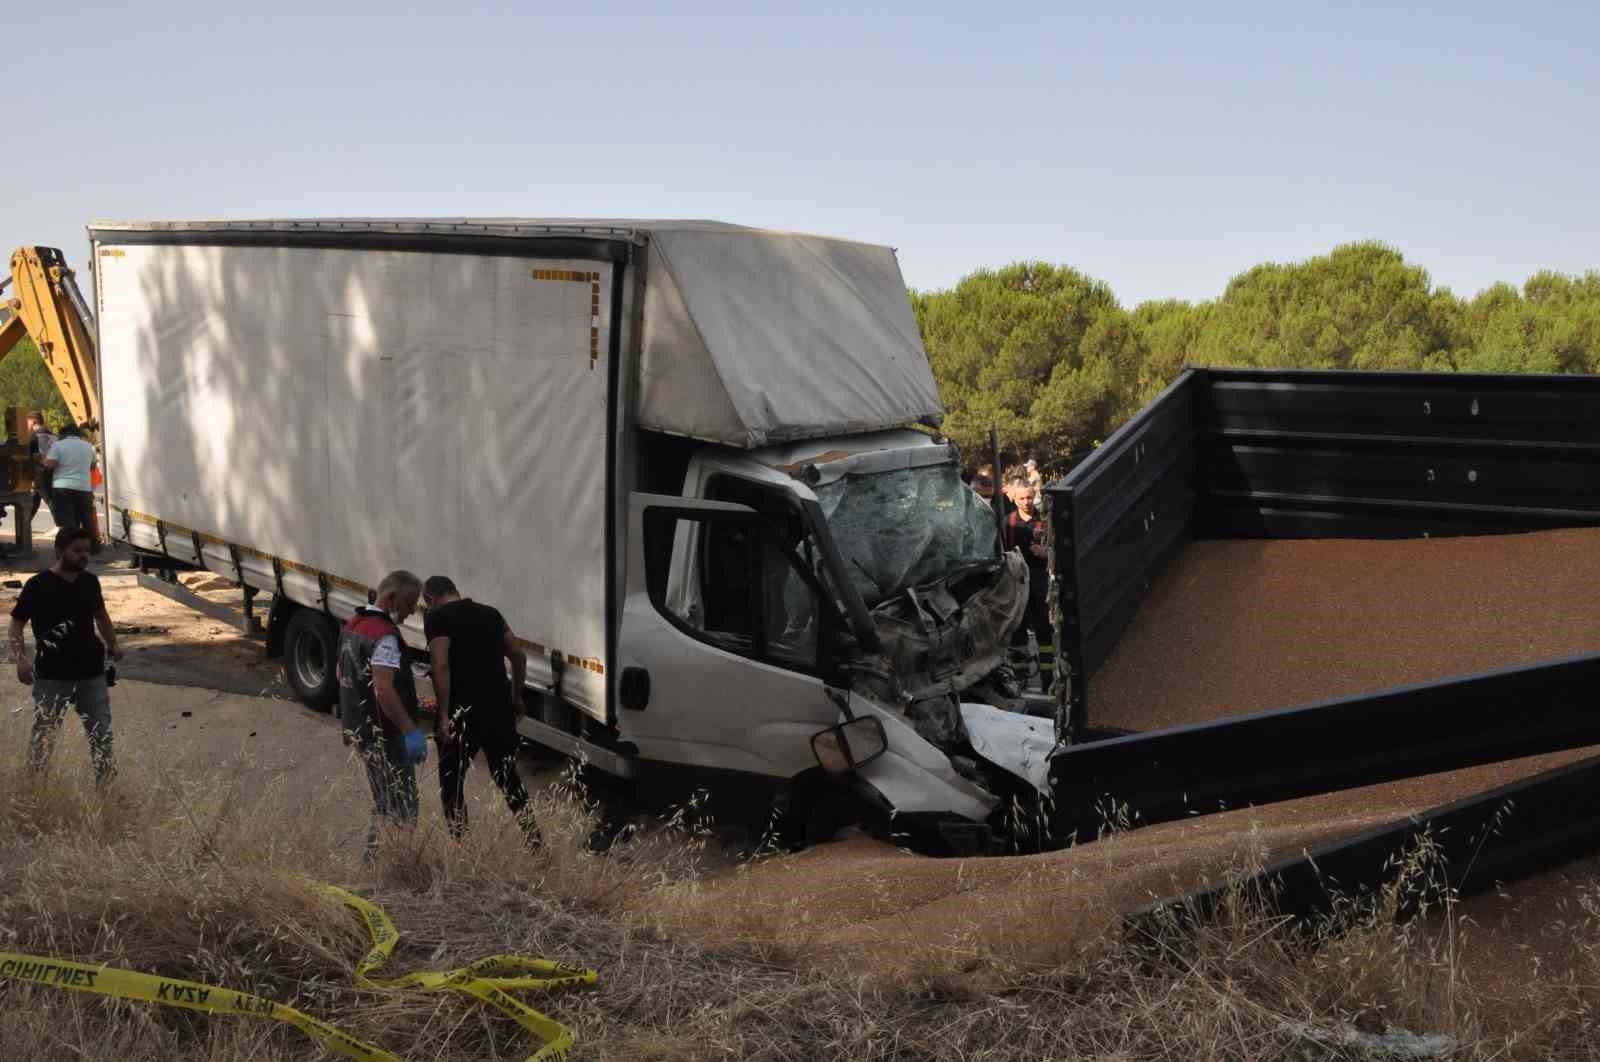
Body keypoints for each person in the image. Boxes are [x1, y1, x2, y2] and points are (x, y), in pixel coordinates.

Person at [422, 575, 540, 847]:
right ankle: (536, 843)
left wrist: (442, 715)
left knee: (452, 782)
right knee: (508, 778)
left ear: (430, 599)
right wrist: (516, 696)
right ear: (455, 590)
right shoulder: (491, 614)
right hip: (498, 709)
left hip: (461, 714)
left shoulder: (437, 618)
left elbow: (440, 666)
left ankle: (463, 849)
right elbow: (518, 656)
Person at [8, 526, 124, 784]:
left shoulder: (90, 582)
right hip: (52, 675)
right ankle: (34, 789)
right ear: (60, 551)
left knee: (102, 736)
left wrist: (113, 643)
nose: (83, 556)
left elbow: (101, 616)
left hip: (91, 673)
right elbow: (17, 624)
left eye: (86, 551)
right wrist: (21, 659)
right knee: (44, 736)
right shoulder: (38, 585)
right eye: (77, 551)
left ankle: (107, 793)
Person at [337, 569, 429, 861]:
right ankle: (386, 869)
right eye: (409, 603)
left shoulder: (354, 624)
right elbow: (383, 689)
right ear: (390, 598)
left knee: (384, 804)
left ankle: (373, 866)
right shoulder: (384, 636)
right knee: (402, 808)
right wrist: (409, 730)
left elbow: (346, 675)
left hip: (359, 729)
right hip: (385, 735)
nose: (412, 611)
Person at [1004, 474, 1053, 691]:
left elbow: (1059, 550)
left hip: (1040, 580)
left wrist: (1046, 553)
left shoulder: (1046, 521)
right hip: (1016, 582)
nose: (1027, 502)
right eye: (1022, 498)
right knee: (1018, 632)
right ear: (1014, 498)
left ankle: (1049, 680)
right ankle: (1020, 679)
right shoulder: (1007, 523)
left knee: (1044, 631)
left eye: (1030, 498)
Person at [43, 424, 99, 551]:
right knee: (86, 518)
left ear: (63, 434)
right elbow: (93, 465)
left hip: (63, 487)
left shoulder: (58, 445)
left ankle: (71, 547)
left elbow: (50, 465)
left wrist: (42, 460)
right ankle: (93, 547)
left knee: (68, 520)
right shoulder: (89, 447)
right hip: (84, 488)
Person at [26, 413, 56, 522]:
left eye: (27, 422)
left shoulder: (33, 436)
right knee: (34, 502)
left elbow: (28, 457)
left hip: (39, 475)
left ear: (33, 422)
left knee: (51, 502)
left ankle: (63, 527)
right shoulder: (53, 436)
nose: (26, 425)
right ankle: (25, 524)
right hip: (52, 473)